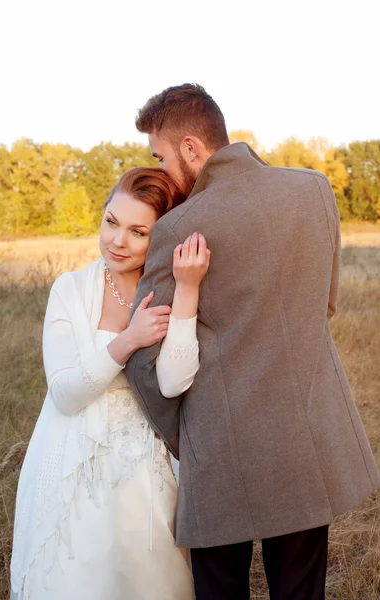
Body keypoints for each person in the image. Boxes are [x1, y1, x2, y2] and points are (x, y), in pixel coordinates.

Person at [125, 84, 380, 600]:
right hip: (306, 436)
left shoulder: (177, 228)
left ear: (192, 148)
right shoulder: (315, 190)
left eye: (161, 155)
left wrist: (178, 436)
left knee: (220, 588)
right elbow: (324, 303)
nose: (160, 168)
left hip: (221, 453)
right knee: (301, 588)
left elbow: (143, 357)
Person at [10, 167, 210, 600]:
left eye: (138, 232)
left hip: (145, 467)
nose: (117, 241)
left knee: (150, 576)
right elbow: (64, 393)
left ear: (160, 236)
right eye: (111, 222)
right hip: (73, 460)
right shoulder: (70, 290)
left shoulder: (166, 288)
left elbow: (174, 384)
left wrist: (188, 290)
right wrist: (129, 341)